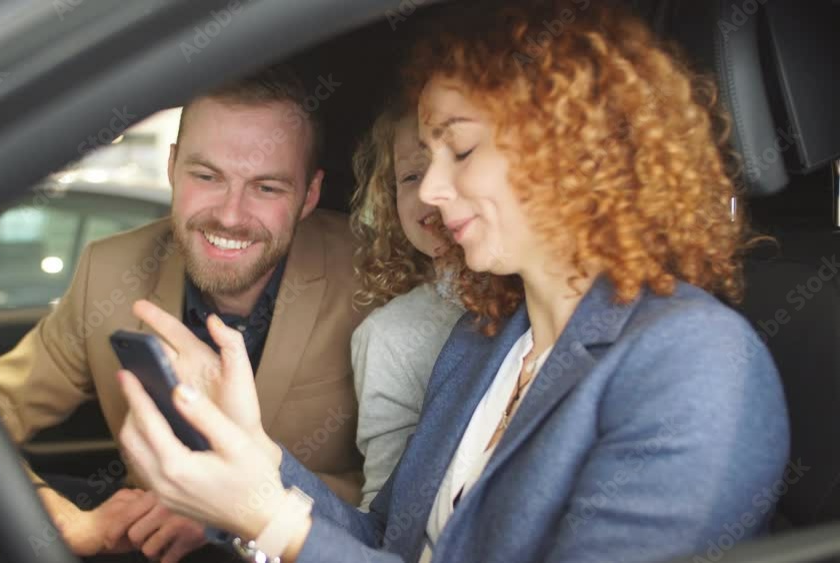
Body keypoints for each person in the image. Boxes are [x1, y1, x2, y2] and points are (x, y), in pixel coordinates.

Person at [114, 2, 790, 562]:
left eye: (461, 150)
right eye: (428, 158)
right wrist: (258, 456)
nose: (433, 190)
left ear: (571, 147)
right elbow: (394, 544)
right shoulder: (483, 341)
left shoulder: (696, 363)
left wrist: (272, 522)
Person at [0, 66, 369, 562]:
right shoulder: (108, 270)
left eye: (266, 188)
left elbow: (406, 500)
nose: (229, 214)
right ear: (172, 166)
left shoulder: (372, 277)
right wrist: (55, 515)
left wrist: (228, 516)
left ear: (310, 195)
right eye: (207, 177)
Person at [348, 104, 464, 510]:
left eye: (459, 158)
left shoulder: (545, 299)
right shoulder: (389, 335)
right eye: (411, 176)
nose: (432, 190)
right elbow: (388, 508)